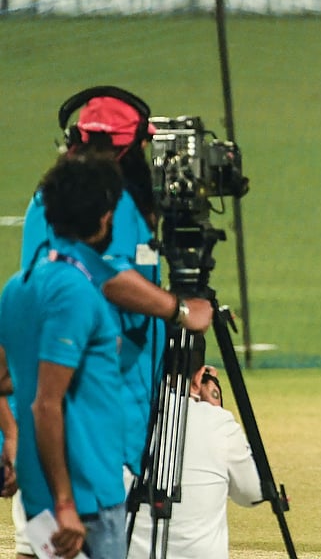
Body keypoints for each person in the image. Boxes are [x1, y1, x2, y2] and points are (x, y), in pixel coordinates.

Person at [14, 87, 214, 558]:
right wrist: (180, 310)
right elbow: (112, 278)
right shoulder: (113, 205)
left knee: (38, 547)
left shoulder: (41, 213)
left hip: (47, 438)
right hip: (100, 426)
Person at [0, 153, 131, 559]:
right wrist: (66, 504)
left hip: (43, 488)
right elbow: (46, 403)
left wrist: (12, 437)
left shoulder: (17, 285)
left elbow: (4, 379)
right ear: (104, 218)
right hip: (84, 497)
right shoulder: (74, 290)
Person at [126, 336, 263, 559]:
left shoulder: (122, 418)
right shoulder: (219, 424)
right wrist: (214, 407)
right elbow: (253, 493)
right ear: (199, 377)